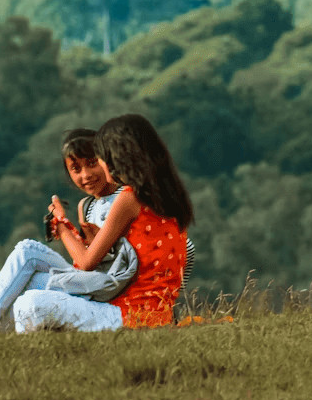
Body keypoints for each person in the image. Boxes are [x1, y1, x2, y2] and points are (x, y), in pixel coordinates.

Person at [10, 113, 195, 332]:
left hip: (128, 314)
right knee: (32, 285)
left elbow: (86, 263)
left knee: (29, 303)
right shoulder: (169, 198)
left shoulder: (129, 197)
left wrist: (60, 224)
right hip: (149, 313)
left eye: (100, 158)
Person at [0, 128, 128, 332]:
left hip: (113, 286)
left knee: (29, 280)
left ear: (105, 160)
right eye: (76, 169)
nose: (86, 175)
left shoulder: (126, 198)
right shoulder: (86, 205)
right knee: (26, 254)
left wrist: (63, 227)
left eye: (92, 163)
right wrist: (68, 229)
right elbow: (86, 260)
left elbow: (90, 263)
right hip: (92, 280)